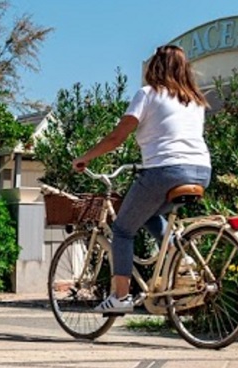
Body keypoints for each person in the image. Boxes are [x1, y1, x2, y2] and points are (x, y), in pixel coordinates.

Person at [73, 45, 213, 315]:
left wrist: (85, 157)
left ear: (154, 67)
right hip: (201, 171)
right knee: (146, 213)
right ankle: (179, 256)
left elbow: (117, 137)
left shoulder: (148, 94)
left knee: (124, 229)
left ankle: (121, 297)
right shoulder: (195, 101)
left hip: (165, 170)